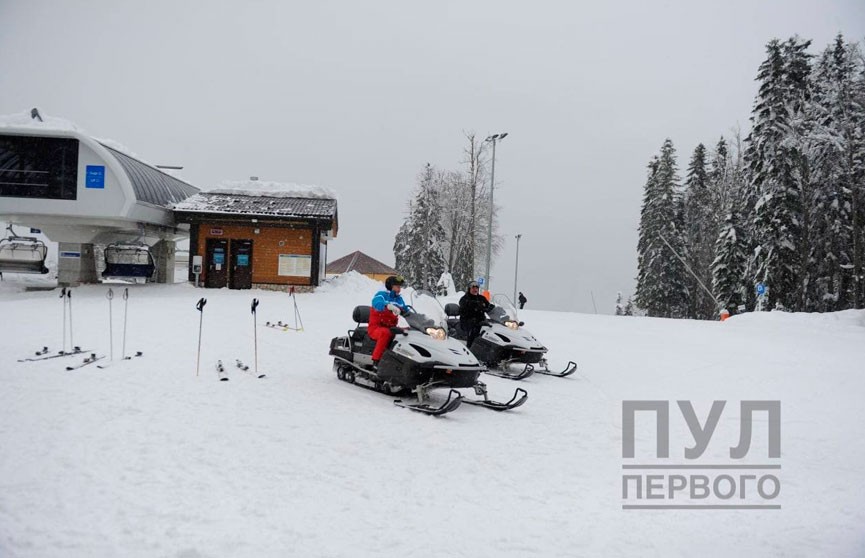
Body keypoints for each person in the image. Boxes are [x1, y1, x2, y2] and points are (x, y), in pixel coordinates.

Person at [368, 275, 408, 367]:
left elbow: (405, 309)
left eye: (400, 287)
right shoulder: (381, 295)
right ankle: (377, 361)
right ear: (391, 286)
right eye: (397, 287)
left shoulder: (399, 299)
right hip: (376, 327)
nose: (399, 289)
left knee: (407, 333)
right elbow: (376, 303)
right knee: (385, 333)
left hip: (392, 327)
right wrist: (387, 305)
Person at [459, 280, 493, 348]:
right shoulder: (464, 299)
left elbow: (487, 305)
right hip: (468, 320)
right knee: (473, 330)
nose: (475, 289)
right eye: (473, 288)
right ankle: (469, 347)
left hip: (480, 321)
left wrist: (491, 307)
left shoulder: (481, 298)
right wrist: (475, 307)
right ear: (469, 289)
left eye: (476, 288)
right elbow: (464, 308)